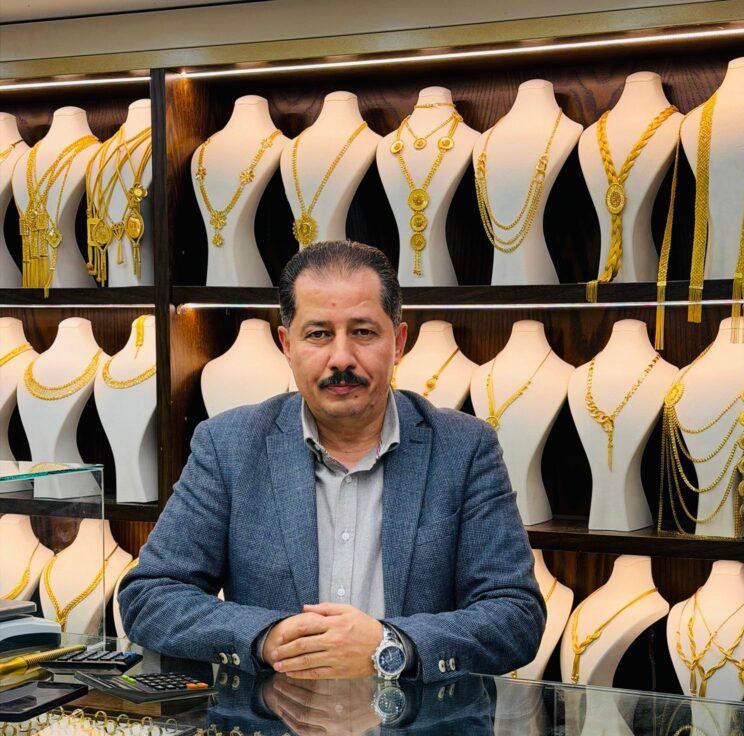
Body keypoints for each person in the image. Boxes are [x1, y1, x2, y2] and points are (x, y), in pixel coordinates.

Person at [119, 240, 545, 684]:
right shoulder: (229, 446)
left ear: (398, 342)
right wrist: (266, 638)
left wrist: (390, 645)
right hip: (269, 725)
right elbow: (150, 596)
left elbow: (515, 616)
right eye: (319, 334)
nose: (341, 358)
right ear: (287, 344)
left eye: (363, 332)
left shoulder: (465, 448)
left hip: (423, 725)